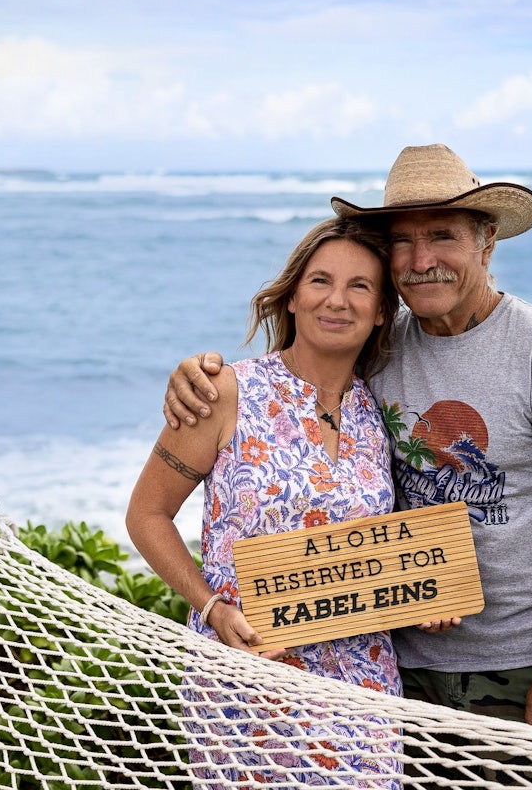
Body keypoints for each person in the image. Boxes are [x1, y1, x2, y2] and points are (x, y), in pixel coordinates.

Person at [163, 144, 532, 788]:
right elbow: (290, 394)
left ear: (486, 243)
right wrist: (195, 376)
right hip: (394, 667)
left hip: (520, 667)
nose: (421, 259)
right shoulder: (377, 353)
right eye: (403, 242)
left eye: (443, 236)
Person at [125, 216, 403, 786]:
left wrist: (430, 597)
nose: (337, 300)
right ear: (294, 296)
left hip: (363, 688)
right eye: (320, 281)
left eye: (360, 286)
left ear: (380, 311)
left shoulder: (377, 413)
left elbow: (386, 551)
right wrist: (212, 608)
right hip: (247, 682)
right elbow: (146, 515)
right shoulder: (225, 391)